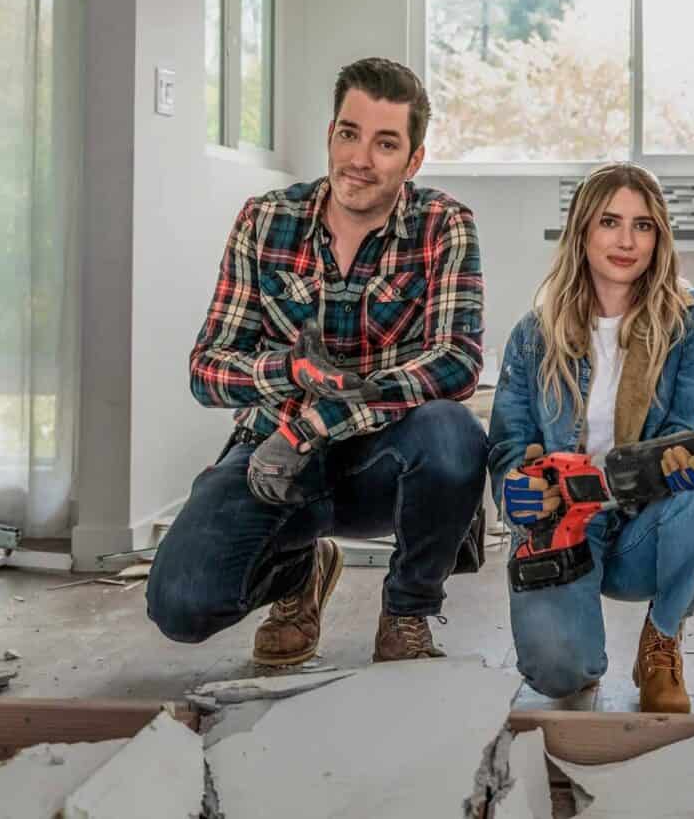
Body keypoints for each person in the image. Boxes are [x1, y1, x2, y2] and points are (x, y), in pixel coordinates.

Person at [148, 57, 487, 667]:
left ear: (413, 160)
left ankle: (405, 614)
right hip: (274, 457)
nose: (360, 158)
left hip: (384, 460)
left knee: (453, 433)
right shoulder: (265, 219)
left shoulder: (444, 225)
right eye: (349, 134)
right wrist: (287, 373)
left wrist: (316, 423)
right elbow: (207, 369)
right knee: (180, 604)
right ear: (331, 134)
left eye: (386, 144)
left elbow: (456, 363)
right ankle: (300, 571)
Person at [488, 163, 694, 713]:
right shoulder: (534, 335)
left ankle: (662, 638)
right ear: (582, 230)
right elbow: (509, 444)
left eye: (642, 226)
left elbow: (693, 429)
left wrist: (689, 463)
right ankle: (577, 639)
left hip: (648, 520)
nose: (627, 241)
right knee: (559, 674)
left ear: (659, 238)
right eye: (610, 222)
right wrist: (515, 487)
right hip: (569, 520)